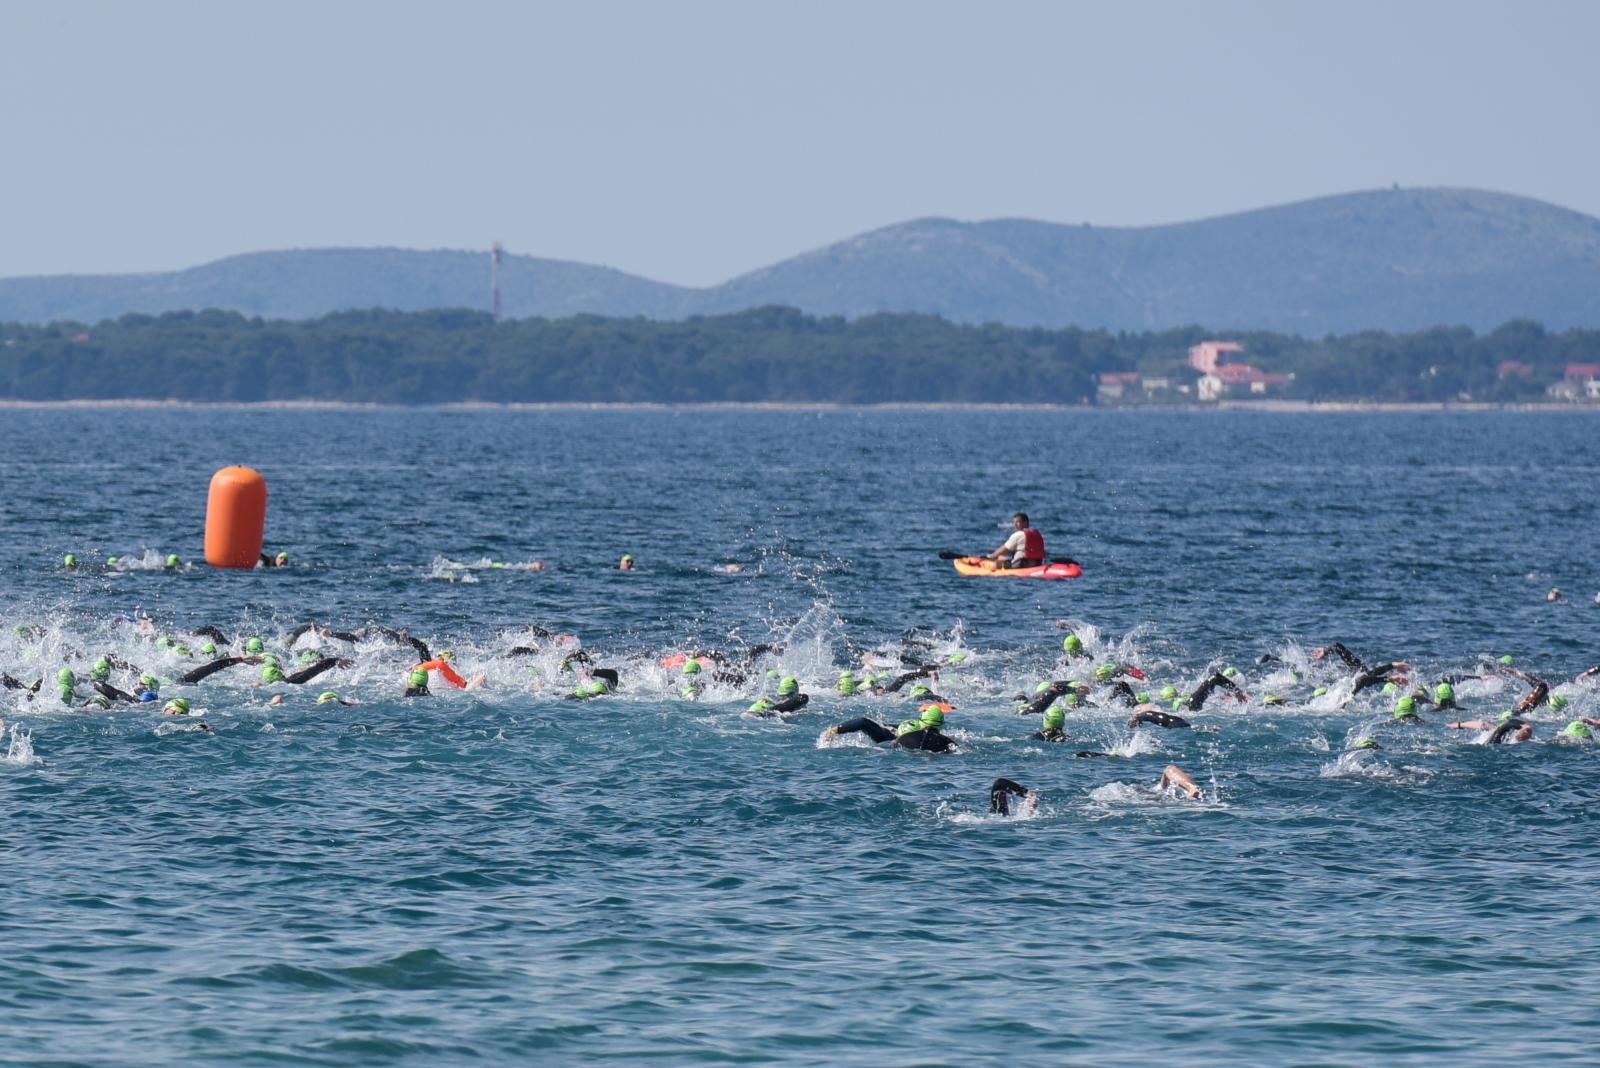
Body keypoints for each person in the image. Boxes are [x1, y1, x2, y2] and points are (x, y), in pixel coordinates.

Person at [826, 702, 956, 752]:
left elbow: (862, 722)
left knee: (866, 722)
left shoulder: (912, 724)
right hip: (889, 739)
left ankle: (832, 731)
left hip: (891, 736)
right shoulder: (940, 738)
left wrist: (834, 730)